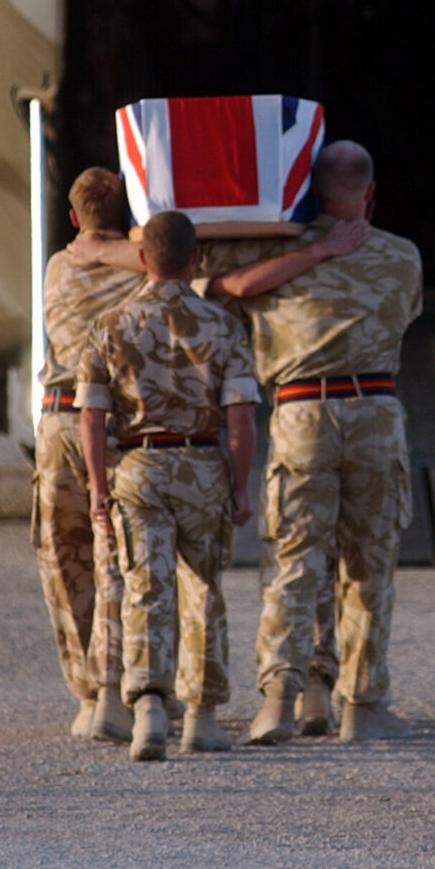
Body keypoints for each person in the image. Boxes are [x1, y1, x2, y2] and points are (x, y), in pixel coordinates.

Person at [206, 141, 422, 747]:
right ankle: (363, 704)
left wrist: (308, 250)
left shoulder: (276, 258)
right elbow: (403, 315)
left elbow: (216, 286)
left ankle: (278, 699)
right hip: (375, 410)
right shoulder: (402, 256)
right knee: (369, 562)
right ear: (370, 194)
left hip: (301, 413)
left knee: (294, 561)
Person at [78, 210, 259, 762]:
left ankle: (149, 708)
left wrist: (96, 487)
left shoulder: (109, 324)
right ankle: (201, 717)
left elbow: (91, 417)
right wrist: (241, 486)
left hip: (137, 468)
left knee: (144, 586)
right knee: (203, 588)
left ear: (142, 259)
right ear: (195, 259)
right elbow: (241, 419)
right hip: (203, 464)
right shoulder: (224, 325)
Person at [35, 167, 143, 742]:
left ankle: (91, 692)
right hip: (118, 427)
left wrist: (99, 243)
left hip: (58, 421)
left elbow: (86, 254)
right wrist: (122, 244)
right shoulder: (137, 266)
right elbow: (167, 262)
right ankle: (120, 687)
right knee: (120, 557)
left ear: (74, 217)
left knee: (65, 555)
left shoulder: (58, 263)